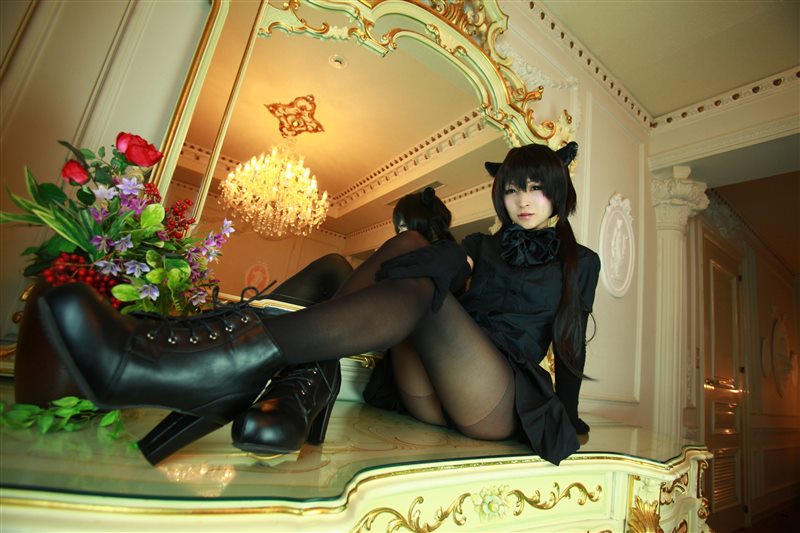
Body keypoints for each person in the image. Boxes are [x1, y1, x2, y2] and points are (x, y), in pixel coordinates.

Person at [38, 142, 600, 466]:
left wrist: (568, 419)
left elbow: (570, 343)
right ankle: (293, 378)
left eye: (535, 188)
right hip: (433, 391)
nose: (521, 200)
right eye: (511, 189)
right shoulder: (479, 245)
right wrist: (439, 259)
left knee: (420, 274)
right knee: (407, 250)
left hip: (495, 402)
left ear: (558, 191)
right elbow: (439, 268)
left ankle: (230, 365)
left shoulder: (581, 260)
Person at [229, 186, 456, 455]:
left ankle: (242, 342)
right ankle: (290, 358)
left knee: (369, 263)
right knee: (335, 264)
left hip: (421, 371)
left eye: (404, 225)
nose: (399, 232)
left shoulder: (453, 256)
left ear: (422, 222)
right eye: (399, 227)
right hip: (384, 336)